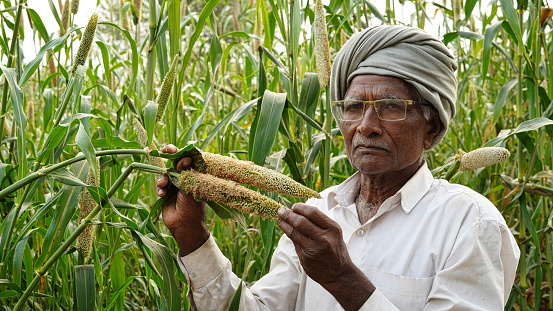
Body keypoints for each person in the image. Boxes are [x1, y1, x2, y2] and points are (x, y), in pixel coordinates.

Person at [156, 25, 520, 310]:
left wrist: (344, 279)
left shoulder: (468, 223)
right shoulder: (318, 212)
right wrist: (192, 233)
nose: (366, 126)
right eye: (352, 107)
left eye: (391, 106)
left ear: (432, 128)